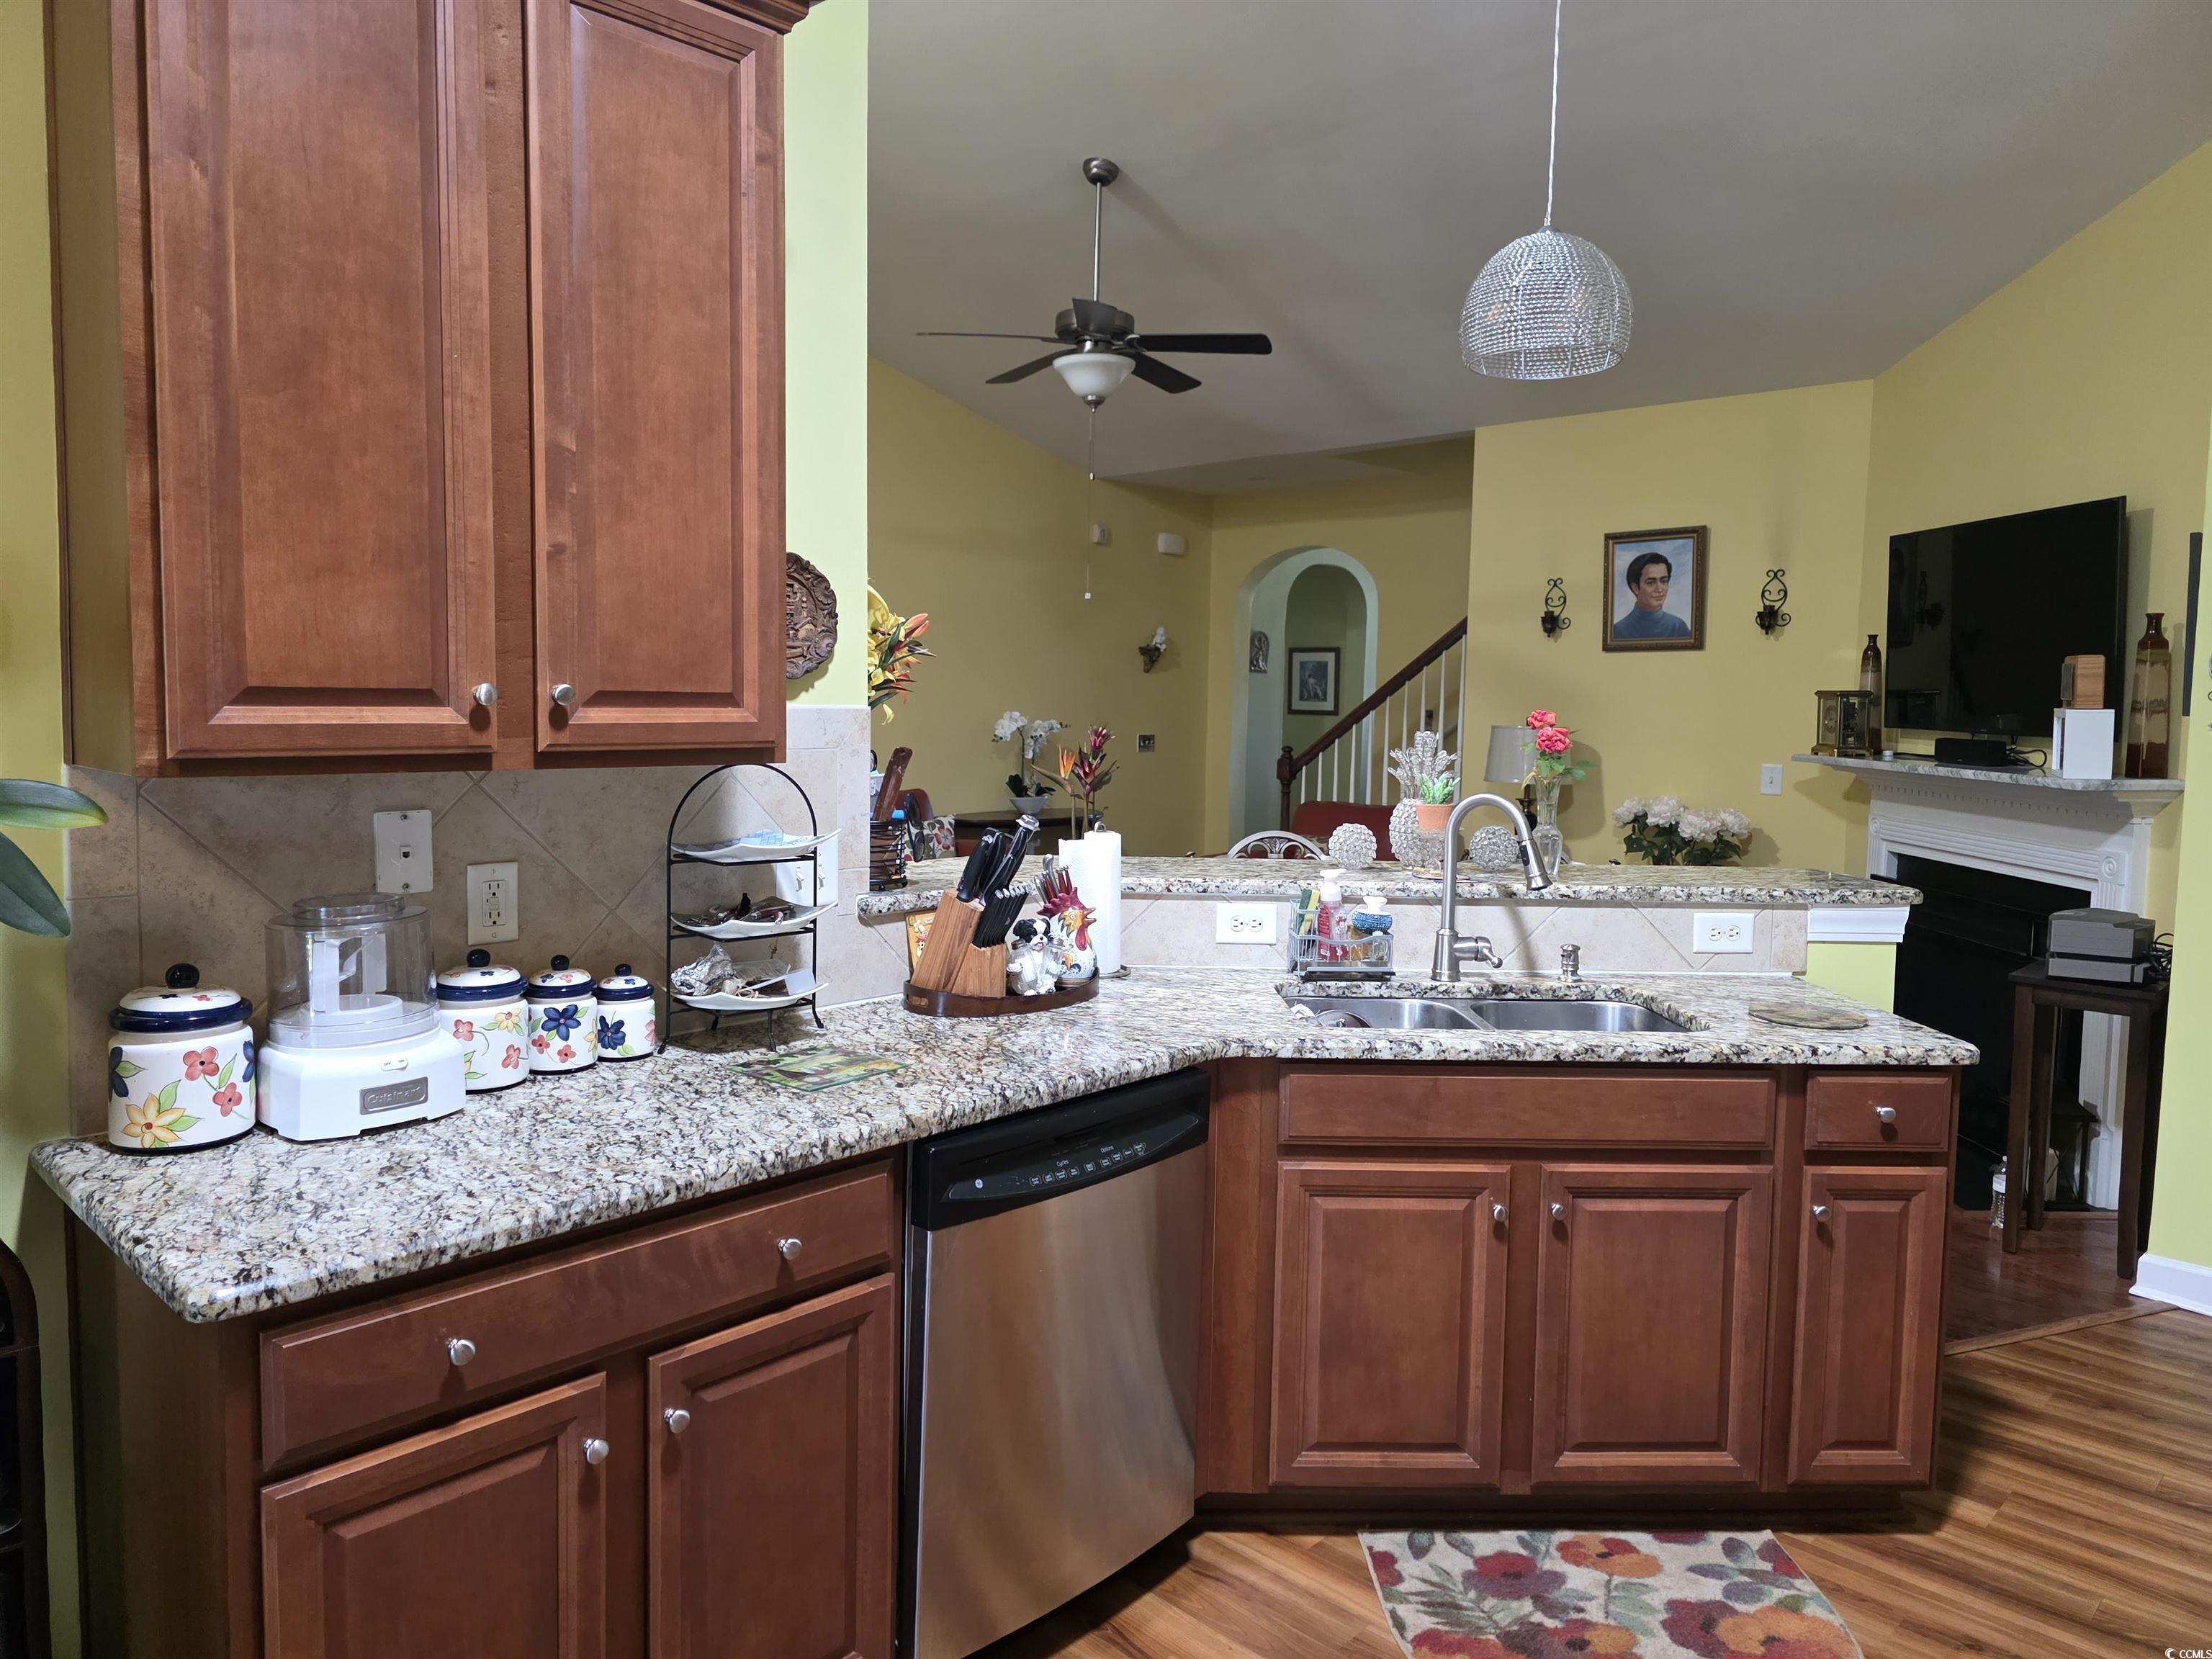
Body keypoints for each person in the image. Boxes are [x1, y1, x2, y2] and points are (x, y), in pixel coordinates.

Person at [1614, 550, 1691, 640]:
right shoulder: (1619, 631)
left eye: (1664, 581)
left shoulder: (1679, 627)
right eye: (1651, 583)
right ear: (1635, 588)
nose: (1659, 589)